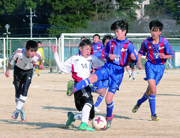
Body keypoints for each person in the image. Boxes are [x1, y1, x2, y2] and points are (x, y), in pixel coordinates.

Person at [67, 20, 138, 130]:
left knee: (108, 99)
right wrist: (108, 55)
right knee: (92, 77)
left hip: (118, 73)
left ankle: (109, 117)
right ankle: (74, 87)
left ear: (124, 31)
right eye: (115, 31)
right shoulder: (111, 43)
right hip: (108, 67)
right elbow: (104, 53)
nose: (116, 33)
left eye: (118, 31)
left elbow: (134, 59)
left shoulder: (129, 45)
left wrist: (134, 58)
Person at [52, 39, 105, 131]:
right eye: (86, 49)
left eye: (90, 49)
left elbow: (103, 63)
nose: (88, 51)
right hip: (79, 85)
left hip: (87, 86)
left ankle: (73, 117)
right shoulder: (74, 59)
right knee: (88, 103)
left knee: (91, 116)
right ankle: (83, 125)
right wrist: (55, 53)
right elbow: (61, 67)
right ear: (80, 48)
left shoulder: (92, 58)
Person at [132, 20, 174, 121]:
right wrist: (139, 62)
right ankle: (153, 114)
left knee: (149, 91)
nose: (153, 33)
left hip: (160, 68)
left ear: (160, 31)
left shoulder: (164, 42)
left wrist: (165, 56)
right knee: (154, 90)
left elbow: (172, 55)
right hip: (150, 66)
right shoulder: (146, 42)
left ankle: (139, 102)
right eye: (152, 30)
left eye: (156, 31)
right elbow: (140, 53)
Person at [5, 40, 44, 121]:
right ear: (26, 50)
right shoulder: (18, 53)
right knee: (18, 92)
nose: (33, 53)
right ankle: (22, 109)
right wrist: (7, 70)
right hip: (18, 71)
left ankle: (17, 111)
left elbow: (41, 58)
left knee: (25, 90)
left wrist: (41, 64)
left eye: (35, 51)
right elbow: (10, 62)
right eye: (31, 51)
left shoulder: (37, 55)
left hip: (28, 72)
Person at [91, 34, 114, 112]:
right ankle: (88, 88)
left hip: (108, 75)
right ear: (103, 43)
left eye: (109, 42)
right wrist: (93, 68)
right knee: (101, 90)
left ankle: (95, 106)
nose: (107, 44)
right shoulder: (101, 51)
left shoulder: (114, 52)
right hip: (100, 74)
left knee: (103, 92)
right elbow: (92, 59)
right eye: (106, 42)